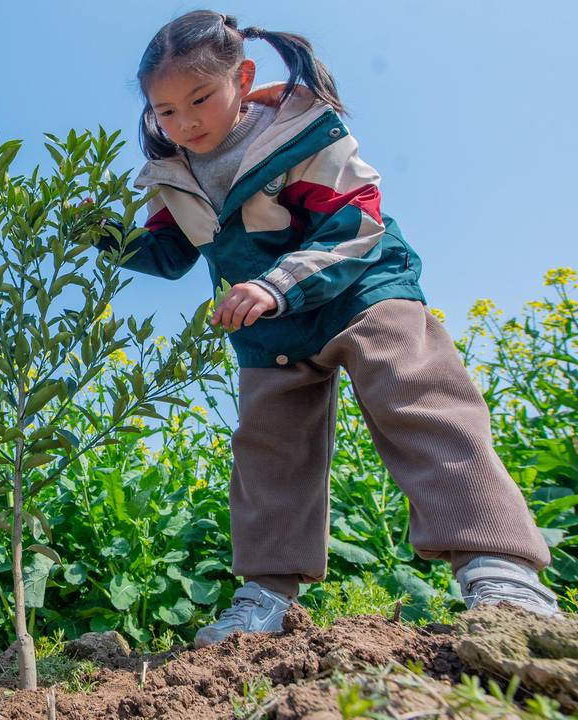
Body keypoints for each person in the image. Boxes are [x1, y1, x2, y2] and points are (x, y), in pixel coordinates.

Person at [113, 10, 558, 647]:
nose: (185, 123)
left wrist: (272, 285)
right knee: (269, 448)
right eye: (165, 111)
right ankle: (267, 596)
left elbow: (354, 223)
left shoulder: (300, 132)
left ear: (243, 77)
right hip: (269, 330)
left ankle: (500, 567)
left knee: (418, 396)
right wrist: (99, 234)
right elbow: (167, 253)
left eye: (200, 99)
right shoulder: (174, 173)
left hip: (359, 290)